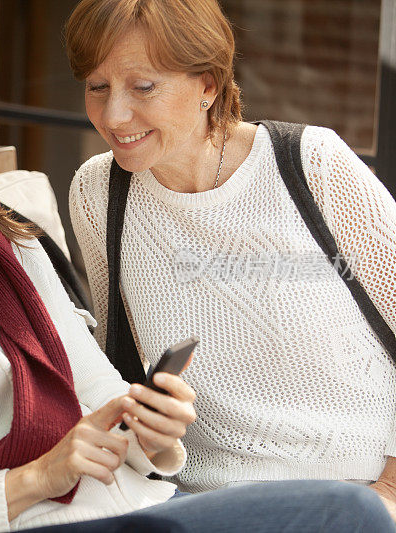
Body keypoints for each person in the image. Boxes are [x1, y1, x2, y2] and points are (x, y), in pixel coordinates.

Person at [0, 45, 394, 532]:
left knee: (351, 514)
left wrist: (150, 432)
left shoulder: (6, 250)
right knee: (351, 517)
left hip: (141, 506)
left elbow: (102, 398)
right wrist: (31, 482)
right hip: (29, 520)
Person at [64, 0, 396, 518]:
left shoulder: (311, 166)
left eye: (143, 87)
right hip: (201, 505)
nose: (113, 116)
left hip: (358, 496)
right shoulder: (99, 193)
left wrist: (391, 492)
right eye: (97, 86)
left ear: (209, 85)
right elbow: (119, 369)